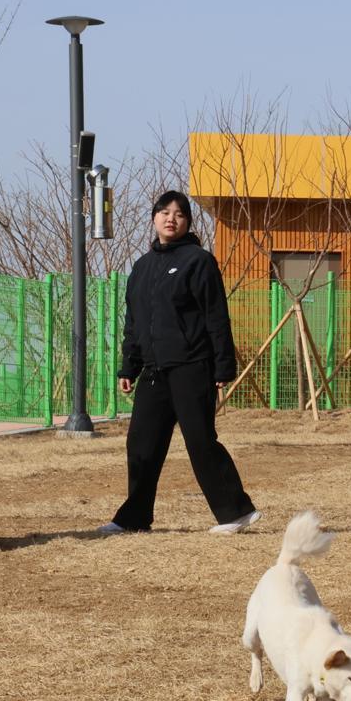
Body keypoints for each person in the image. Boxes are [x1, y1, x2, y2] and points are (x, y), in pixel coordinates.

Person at [101, 190, 260, 535]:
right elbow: (135, 323)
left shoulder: (198, 261)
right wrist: (130, 366)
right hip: (155, 371)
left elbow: (216, 316)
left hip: (193, 367)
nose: (171, 218)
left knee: (200, 441)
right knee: (140, 444)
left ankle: (236, 513)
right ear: (154, 217)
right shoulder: (141, 268)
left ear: (187, 222)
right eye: (164, 212)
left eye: (179, 214)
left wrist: (222, 367)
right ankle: (134, 517)